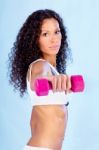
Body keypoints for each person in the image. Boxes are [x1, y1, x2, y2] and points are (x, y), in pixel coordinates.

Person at [8, 9, 72, 150]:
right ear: (35, 39)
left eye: (57, 32)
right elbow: (38, 79)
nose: (54, 39)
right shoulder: (40, 65)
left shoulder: (52, 69)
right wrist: (49, 80)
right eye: (45, 34)